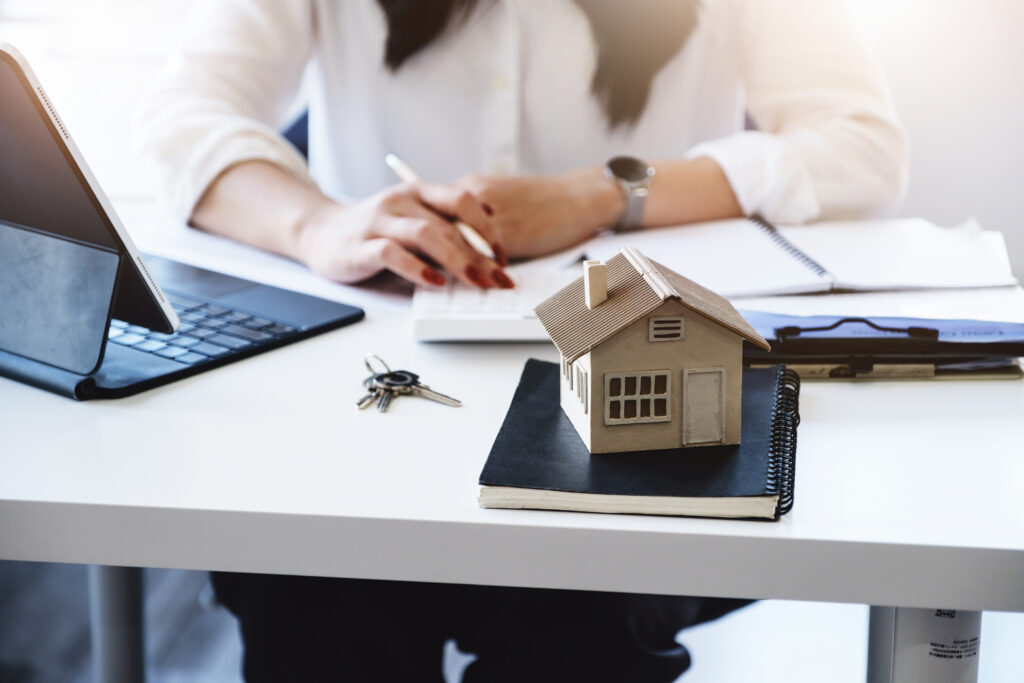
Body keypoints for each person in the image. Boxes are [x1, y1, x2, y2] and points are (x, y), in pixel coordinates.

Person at [137, 0, 907, 680]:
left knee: (586, 621)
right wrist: (317, 222)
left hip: (635, 426)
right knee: (305, 593)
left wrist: (604, 192)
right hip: (379, 407)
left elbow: (862, 146)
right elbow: (183, 113)